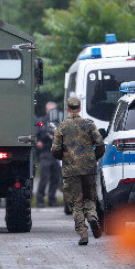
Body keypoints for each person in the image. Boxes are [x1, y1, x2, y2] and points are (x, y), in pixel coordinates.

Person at [51, 96, 104, 245]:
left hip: (71, 171)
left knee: (76, 203)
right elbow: (100, 143)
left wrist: (63, 157)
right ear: (79, 108)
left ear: (67, 109)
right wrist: (94, 158)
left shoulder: (61, 127)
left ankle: (83, 234)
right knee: (90, 198)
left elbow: (55, 150)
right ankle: (92, 217)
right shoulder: (89, 124)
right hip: (89, 168)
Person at [36, 101, 62, 208]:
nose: (53, 113)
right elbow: (36, 133)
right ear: (47, 111)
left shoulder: (59, 122)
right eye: (51, 110)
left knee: (56, 177)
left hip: (56, 152)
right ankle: (40, 199)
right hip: (46, 152)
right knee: (44, 177)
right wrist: (38, 142)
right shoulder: (41, 121)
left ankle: (52, 199)